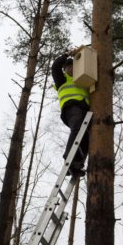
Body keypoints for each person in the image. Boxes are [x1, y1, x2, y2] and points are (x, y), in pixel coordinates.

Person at [51, 47, 90, 177]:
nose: (72, 69)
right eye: (68, 67)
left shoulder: (83, 80)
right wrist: (67, 55)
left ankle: (76, 165)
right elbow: (55, 66)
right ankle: (69, 157)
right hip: (71, 109)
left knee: (87, 138)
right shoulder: (62, 79)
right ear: (65, 69)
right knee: (78, 126)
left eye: (74, 66)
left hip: (85, 111)